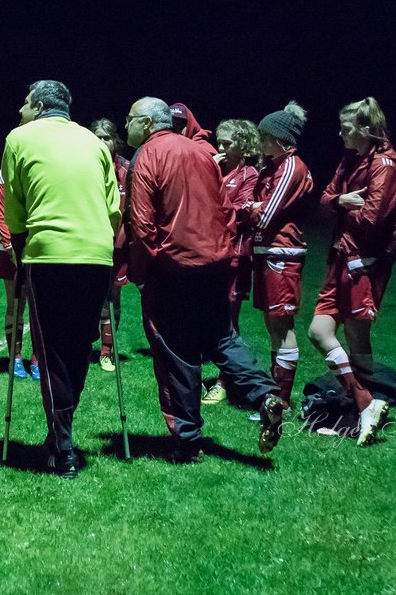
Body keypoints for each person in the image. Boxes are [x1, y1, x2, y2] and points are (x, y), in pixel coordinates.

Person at [124, 97, 287, 463]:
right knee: (222, 338)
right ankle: (265, 395)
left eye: (130, 119)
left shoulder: (146, 157)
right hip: (214, 264)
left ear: (148, 124)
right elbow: (224, 208)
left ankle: (187, 440)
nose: (126, 126)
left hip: (173, 267)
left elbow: (142, 226)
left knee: (177, 354)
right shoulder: (202, 153)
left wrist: (142, 273)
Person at [1, 80, 120, 478]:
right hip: (96, 254)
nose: (20, 109)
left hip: (49, 253)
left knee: (51, 350)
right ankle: (62, 433)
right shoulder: (94, 142)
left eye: (24, 101)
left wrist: (20, 247)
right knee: (76, 346)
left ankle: (63, 443)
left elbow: (13, 207)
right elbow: (114, 210)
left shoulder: (19, 137)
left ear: (37, 105)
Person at [307, 96, 396, 446]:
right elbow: (323, 200)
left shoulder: (386, 165)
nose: (340, 134)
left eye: (346, 128)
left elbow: (371, 220)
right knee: (320, 331)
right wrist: (340, 201)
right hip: (341, 257)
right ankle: (365, 402)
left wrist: (343, 205)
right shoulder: (349, 160)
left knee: (356, 337)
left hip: (365, 264)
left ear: (365, 129)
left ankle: (356, 412)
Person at [249, 102, 314, 406]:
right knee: (271, 324)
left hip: (282, 254)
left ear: (280, 138)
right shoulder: (270, 168)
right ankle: (276, 396)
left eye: (264, 137)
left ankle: (281, 399)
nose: (259, 142)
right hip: (266, 252)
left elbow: (266, 214)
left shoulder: (291, 166)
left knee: (282, 324)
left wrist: (249, 212)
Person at [200, 118, 262, 406]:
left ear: (244, 146)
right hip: (209, 253)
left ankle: (225, 382)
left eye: (228, 144)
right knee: (207, 315)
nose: (221, 148)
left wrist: (216, 208)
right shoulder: (214, 168)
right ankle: (211, 375)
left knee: (228, 321)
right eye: (220, 142)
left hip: (235, 256)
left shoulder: (249, 174)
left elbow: (243, 209)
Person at [0, 113, 39, 380]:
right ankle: (16, 358)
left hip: (40, 247)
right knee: (16, 304)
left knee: (39, 306)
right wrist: (8, 241)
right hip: (11, 246)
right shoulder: (11, 156)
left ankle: (37, 359)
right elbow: (1, 203)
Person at [90, 118, 131, 373]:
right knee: (89, 296)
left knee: (112, 297)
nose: (101, 142)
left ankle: (107, 351)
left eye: (105, 137)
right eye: (96, 137)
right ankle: (86, 341)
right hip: (90, 242)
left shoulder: (127, 169)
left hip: (118, 244)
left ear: (115, 140)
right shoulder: (84, 166)